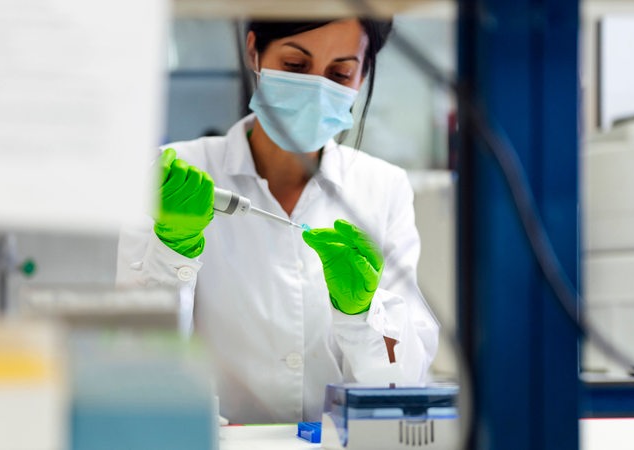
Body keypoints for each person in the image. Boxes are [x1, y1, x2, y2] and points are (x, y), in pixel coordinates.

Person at [116, 18, 439, 424]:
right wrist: (170, 253)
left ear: (362, 75)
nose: (318, 89)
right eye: (295, 65)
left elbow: (404, 390)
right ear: (254, 52)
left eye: (340, 73)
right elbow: (132, 365)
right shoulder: (172, 176)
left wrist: (361, 316)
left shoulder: (383, 188)